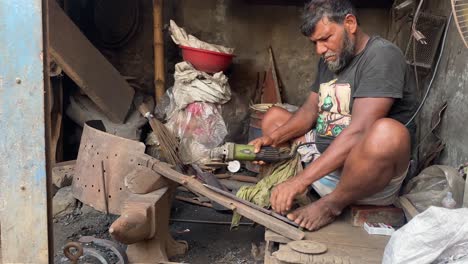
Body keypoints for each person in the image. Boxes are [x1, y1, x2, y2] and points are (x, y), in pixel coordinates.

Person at [250, 0, 417, 231]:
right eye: (315, 43)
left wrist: (300, 181)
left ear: (350, 23)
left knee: (388, 133)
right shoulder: (330, 60)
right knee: (273, 118)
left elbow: (360, 130)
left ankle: (331, 204)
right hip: (324, 163)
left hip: (365, 179)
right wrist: (273, 139)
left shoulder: (382, 56)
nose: (320, 49)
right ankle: (307, 187)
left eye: (325, 38)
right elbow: (310, 110)